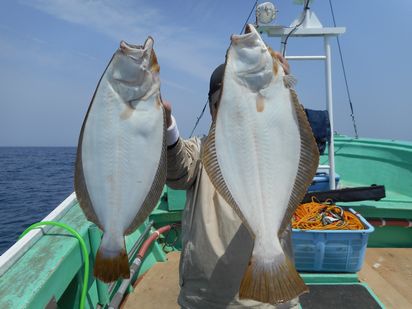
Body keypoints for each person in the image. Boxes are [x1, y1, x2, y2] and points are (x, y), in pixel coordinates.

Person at [163, 51, 299, 309]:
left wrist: (280, 87)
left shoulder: (276, 145)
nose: (233, 108)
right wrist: (168, 129)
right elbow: (178, 171)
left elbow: (292, 134)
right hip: (208, 298)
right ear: (212, 111)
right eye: (223, 102)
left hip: (269, 298)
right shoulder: (201, 151)